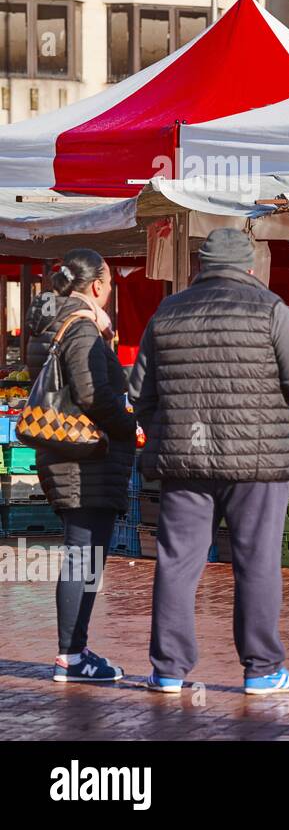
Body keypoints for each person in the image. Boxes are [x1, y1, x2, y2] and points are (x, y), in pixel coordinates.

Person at [128, 228, 289, 696]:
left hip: (184, 462)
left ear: (202, 266)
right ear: (250, 266)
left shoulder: (167, 312)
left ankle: (169, 670)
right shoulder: (272, 309)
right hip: (256, 463)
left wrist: (168, 431)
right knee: (256, 562)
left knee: (177, 562)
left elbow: (139, 393)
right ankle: (261, 669)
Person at [26, 250, 136, 684]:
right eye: (108, 284)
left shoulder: (51, 321)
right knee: (83, 555)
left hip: (63, 452)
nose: (108, 292)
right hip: (86, 458)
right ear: (96, 286)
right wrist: (128, 424)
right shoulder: (81, 327)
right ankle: (71, 656)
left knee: (80, 553)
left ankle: (75, 651)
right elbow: (92, 394)